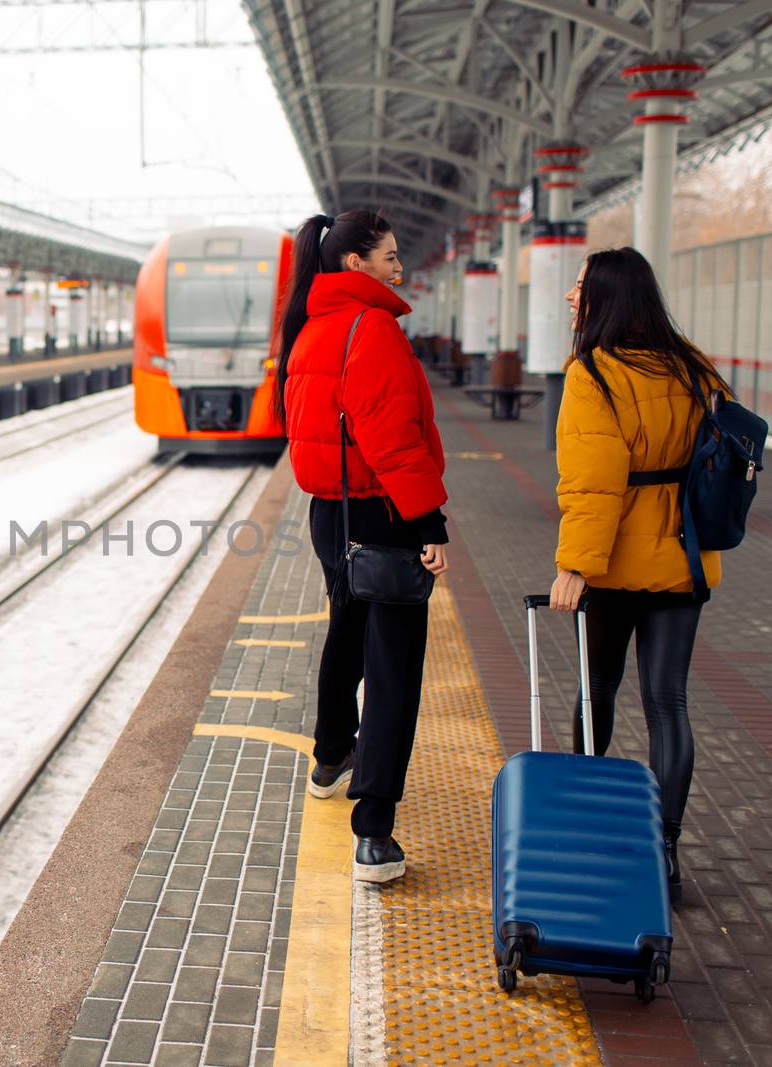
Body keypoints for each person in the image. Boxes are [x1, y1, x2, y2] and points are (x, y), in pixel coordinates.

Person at [549, 246, 730, 904]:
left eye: (580, 288)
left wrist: (575, 565)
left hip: (617, 564)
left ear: (608, 299)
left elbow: (594, 484)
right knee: (668, 704)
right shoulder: (696, 368)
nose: (572, 298)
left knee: (597, 691)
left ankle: (590, 829)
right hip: (684, 559)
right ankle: (665, 852)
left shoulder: (593, 373)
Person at [276, 210, 450, 884]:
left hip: (330, 514)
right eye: (389, 256)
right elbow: (392, 438)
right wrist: (427, 522)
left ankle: (328, 758)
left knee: (347, 630)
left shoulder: (311, 328)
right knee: (395, 666)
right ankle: (373, 831)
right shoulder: (370, 328)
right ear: (355, 264)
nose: (398, 268)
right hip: (382, 514)